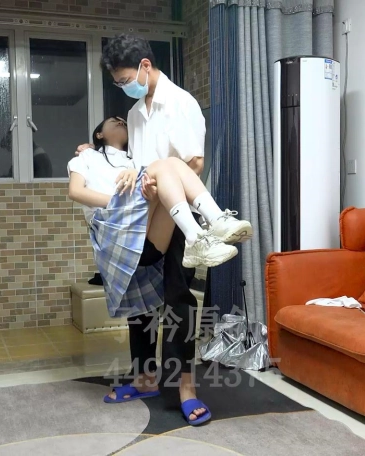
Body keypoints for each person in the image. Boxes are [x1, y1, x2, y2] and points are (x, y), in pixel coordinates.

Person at [75, 35, 251, 426]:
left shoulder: (182, 103)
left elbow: (195, 165)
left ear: (145, 65)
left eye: (125, 80)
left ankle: (186, 389)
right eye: (118, 83)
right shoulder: (136, 113)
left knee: (178, 300)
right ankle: (144, 377)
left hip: (177, 212)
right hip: (145, 211)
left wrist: (154, 175)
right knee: (139, 299)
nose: (124, 87)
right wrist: (135, 175)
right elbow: (139, 165)